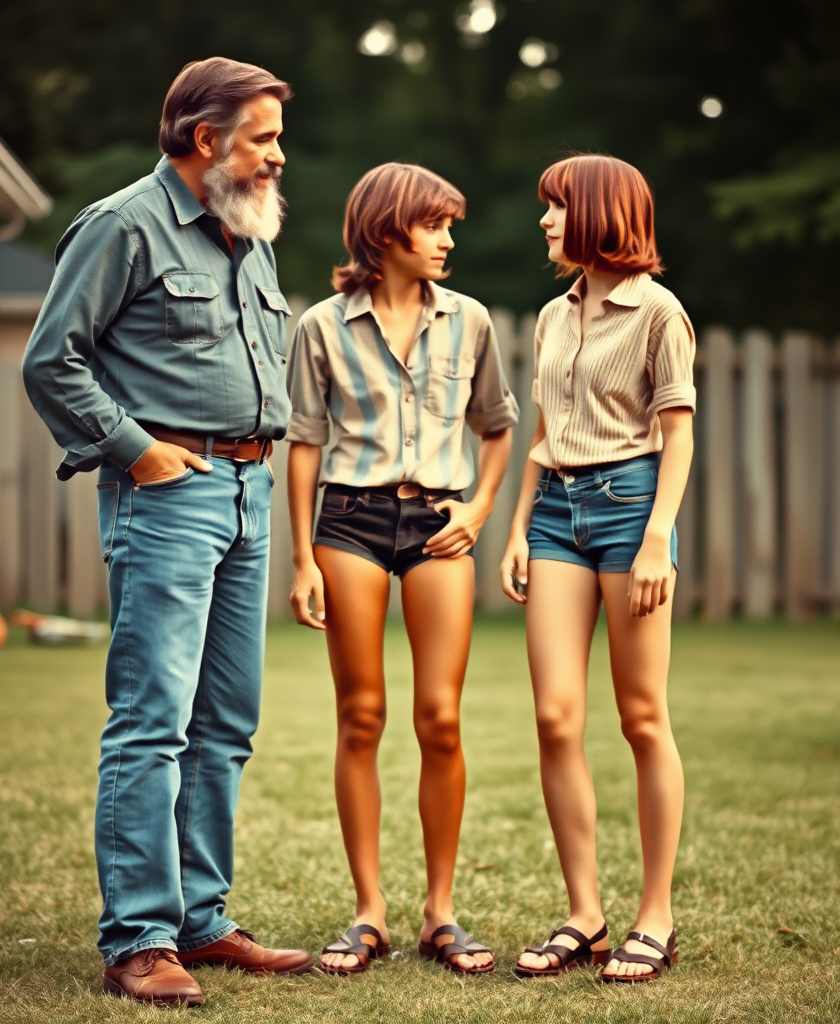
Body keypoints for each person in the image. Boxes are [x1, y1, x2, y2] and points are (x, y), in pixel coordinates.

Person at [22, 57, 312, 1005]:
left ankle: (201, 920)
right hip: (168, 493)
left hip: (248, 493)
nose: (278, 155)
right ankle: (139, 938)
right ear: (205, 139)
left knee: (226, 723)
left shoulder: (251, 234)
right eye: (263, 136)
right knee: (153, 722)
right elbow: (50, 361)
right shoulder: (121, 226)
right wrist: (136, 451)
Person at [286, 162, 518, 976]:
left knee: (440, 719)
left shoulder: (472, 322)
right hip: (348, 522)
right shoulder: (320, 325)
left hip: (437, 525)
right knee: (361, 715)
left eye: (451, 226)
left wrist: (479, 512)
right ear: (388, 232)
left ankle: (441, 914)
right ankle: (368, 913)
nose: (449, 240)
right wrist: (303, 557)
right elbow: (305, 445)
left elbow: (497, 428)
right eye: (436, 226)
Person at [500, 154, 695, 983]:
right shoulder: (552, 316)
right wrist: (516, 528)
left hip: (630, 508)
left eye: (556, 207)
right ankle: (586, 914)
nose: (545, 220)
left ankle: (657, 916)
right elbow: (545, 430)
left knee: (642, 716)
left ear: (598, 213)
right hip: (555, 519)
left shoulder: (659, 312)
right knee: (555, 717)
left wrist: (657, 538)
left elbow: (679, 433)